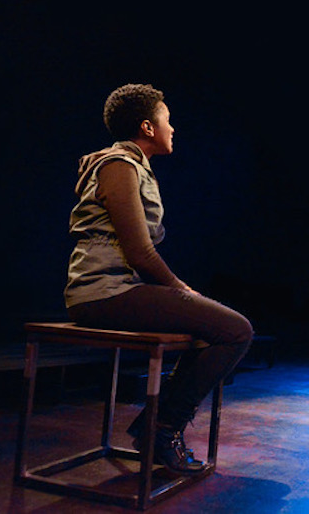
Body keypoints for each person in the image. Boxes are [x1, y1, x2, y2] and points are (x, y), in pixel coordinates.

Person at [64, 83, 254, 474]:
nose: (173, 128)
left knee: (221, 328)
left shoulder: (132, 166)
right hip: (103, 293)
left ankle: (157, 425)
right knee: (235, 330)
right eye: (167, 120)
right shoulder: (118, 165)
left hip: (119, 289)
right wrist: (182, 290)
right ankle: (161, 429)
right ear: (148, 127)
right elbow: (140, 254)